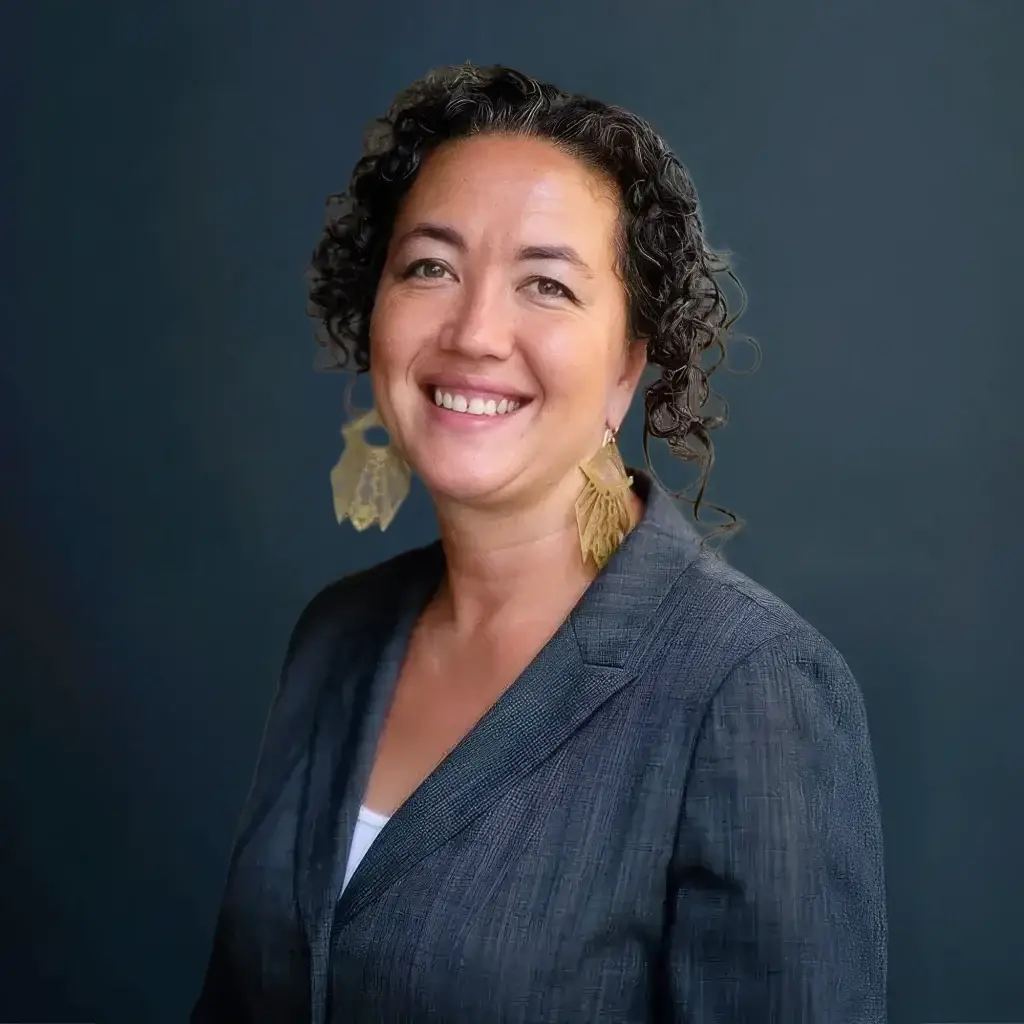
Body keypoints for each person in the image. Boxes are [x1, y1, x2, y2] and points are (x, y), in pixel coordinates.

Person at [191, 63, 887, 1023]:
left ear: (627, 368)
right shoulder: (337, 636)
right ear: (373, 309)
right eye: (430, 268)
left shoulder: (751, 687)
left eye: (547, 285)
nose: (475, 332)